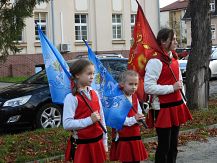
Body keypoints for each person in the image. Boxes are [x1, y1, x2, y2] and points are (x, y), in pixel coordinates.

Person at [144, 28, 192, 163]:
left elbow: (179, 82)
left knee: (173, 147)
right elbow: (148, 87)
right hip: (163, 108)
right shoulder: (155, 61)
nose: (176, 42)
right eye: (174, 39)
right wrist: (172, 88)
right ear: (163, 42)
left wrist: (183, 100)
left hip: (176, 106)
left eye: (176, 39)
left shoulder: (174, 58)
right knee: (164, 147)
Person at [63, 59, 108, 163]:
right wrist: (89, 120)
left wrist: (104, 142)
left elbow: (102, 119)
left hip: (97, 144)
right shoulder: (71, 98)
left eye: (93, 73)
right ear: (78, 75)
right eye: (89, 74)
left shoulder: (95, 93)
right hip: (82, 146)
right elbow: (67, 124)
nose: (92, 76)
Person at [110, 70, 148, 163]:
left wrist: (140, 118)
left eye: (136, 84)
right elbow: (119, 120)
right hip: (125, 136)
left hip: (135, 135)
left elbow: (138, 111)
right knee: (127, 160)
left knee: (136, 160)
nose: (134, 87)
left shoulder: (134, 96)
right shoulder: (118, 99)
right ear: (122, 84)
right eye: (130, 84)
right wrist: (133, 119)